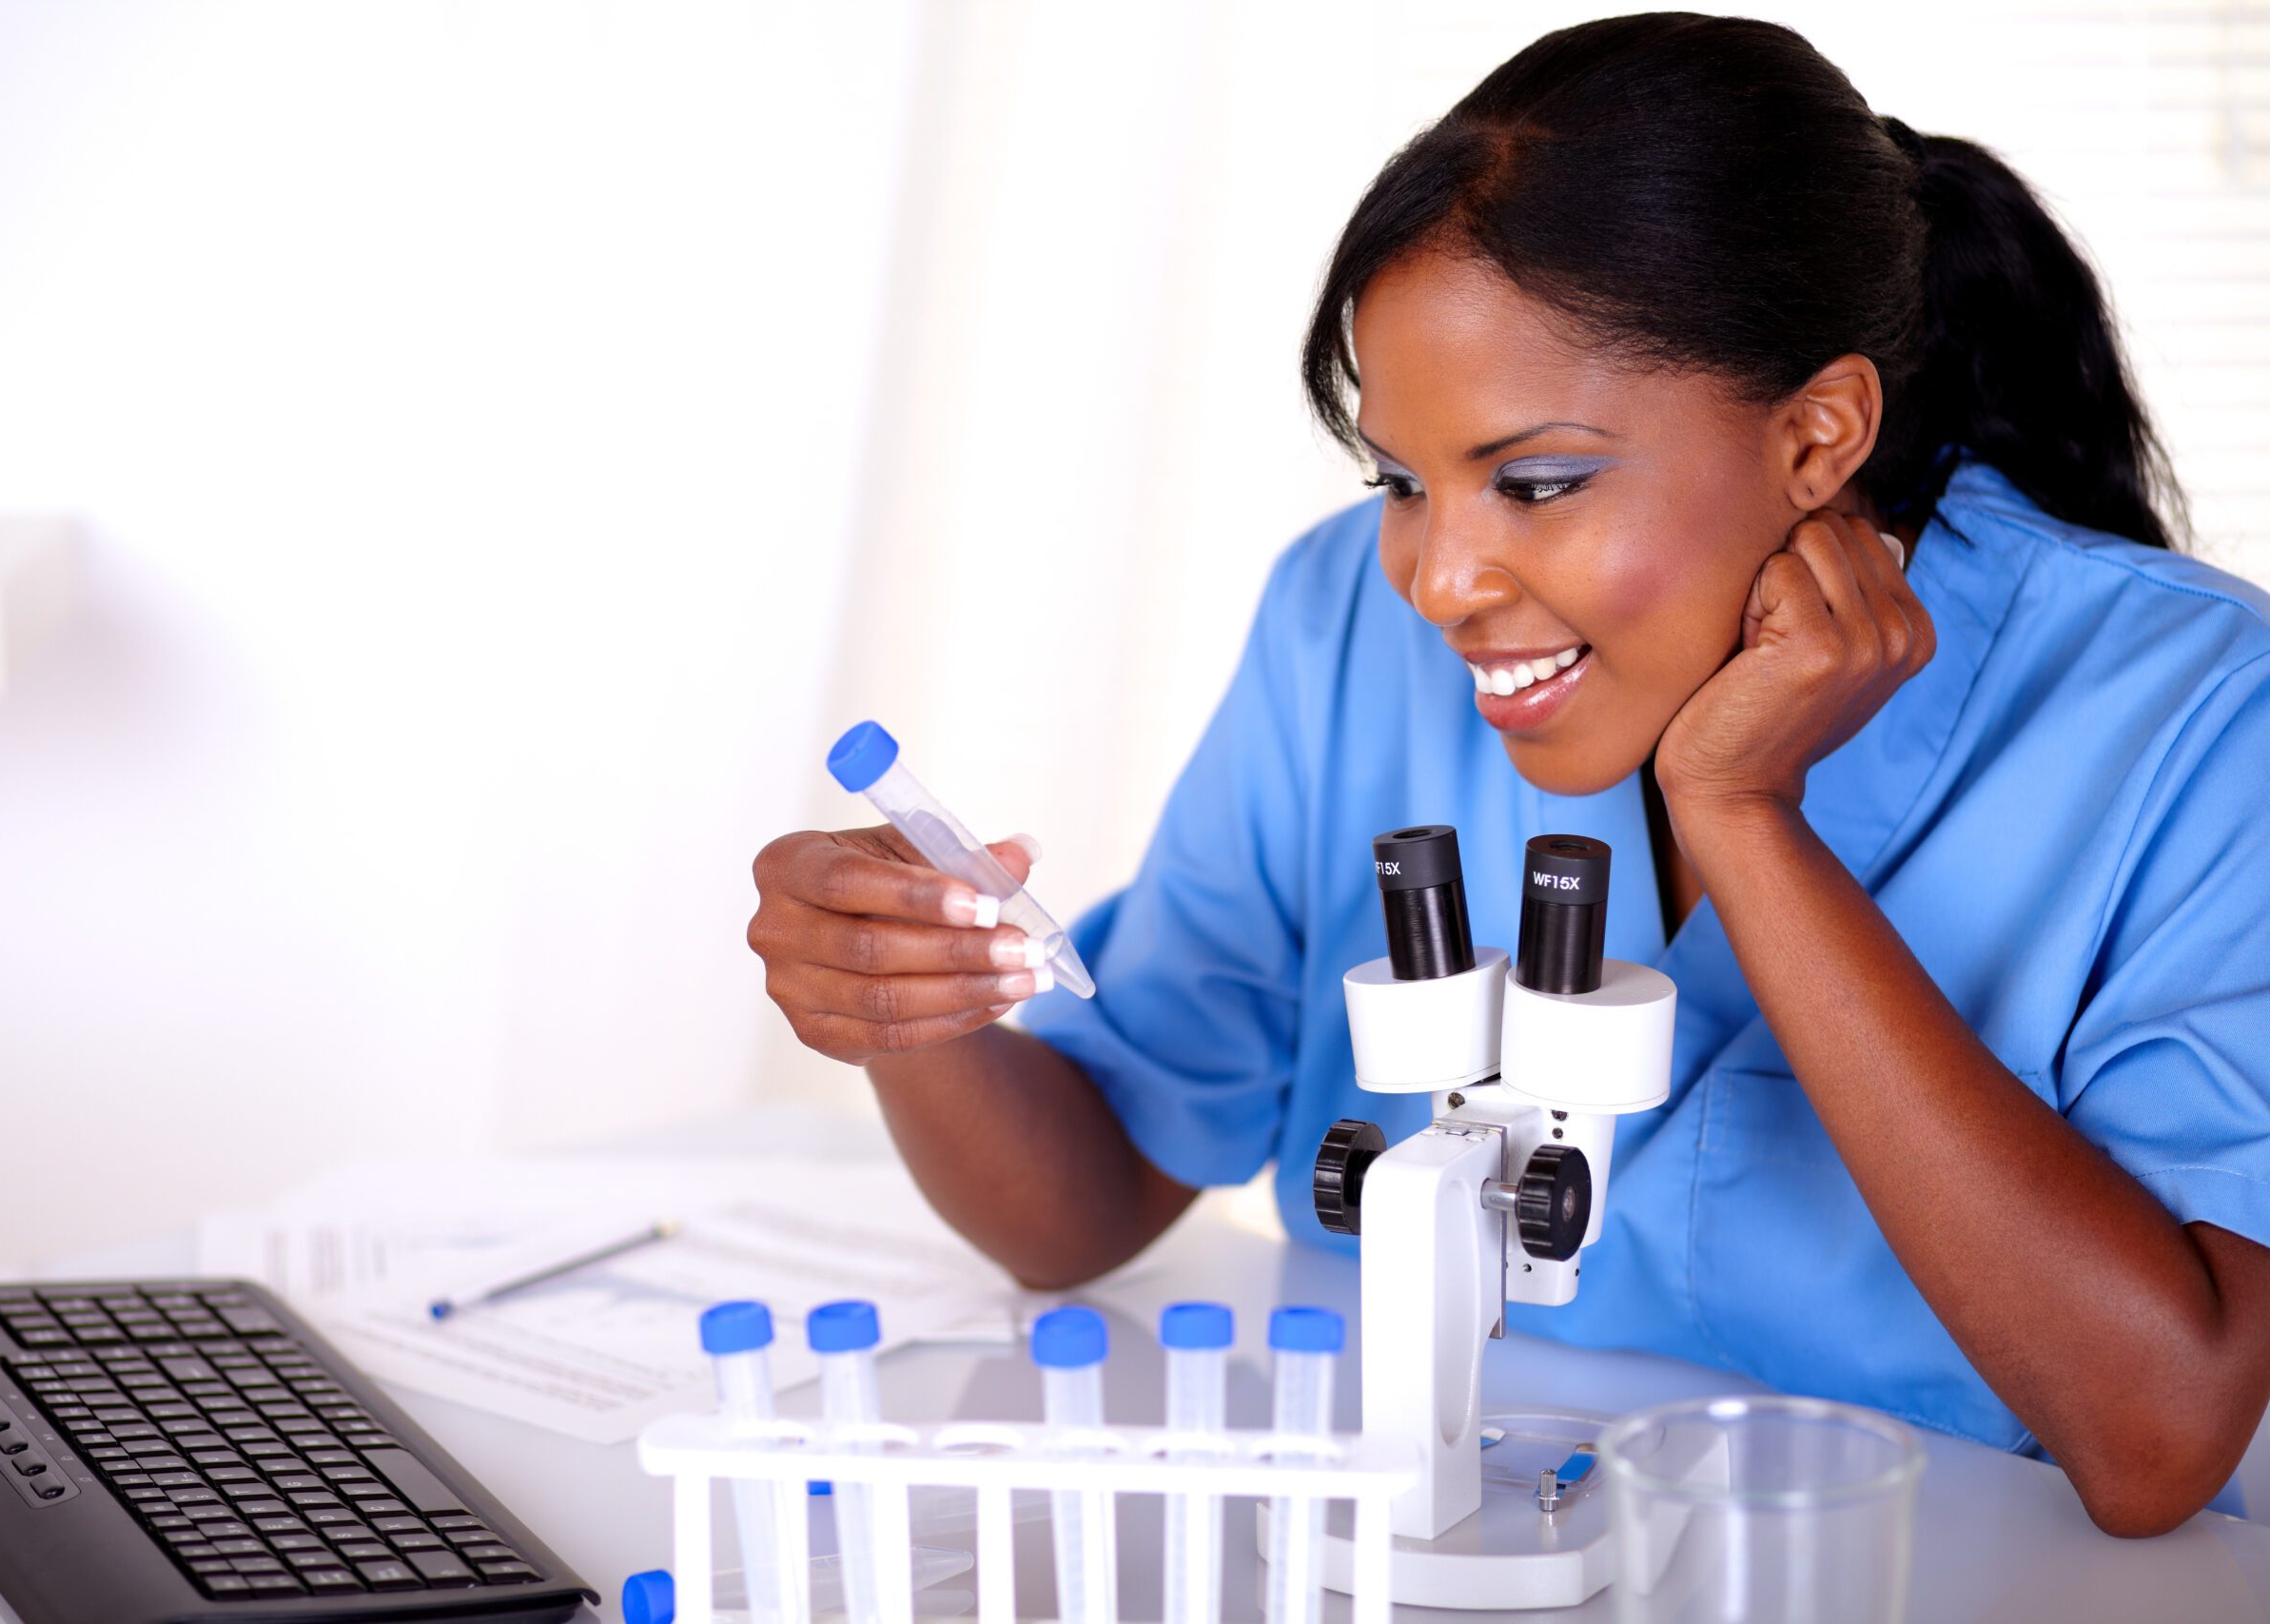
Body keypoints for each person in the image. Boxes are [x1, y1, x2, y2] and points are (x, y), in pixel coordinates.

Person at [747, 13, 2270, 1536]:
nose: (1439, 577)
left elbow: (2156, 1438)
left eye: (1536, 482)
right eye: (1401, 481)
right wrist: (909, 1005)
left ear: (1817, 437)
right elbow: (1077, 1209)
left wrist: (1743, 819)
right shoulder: (1340, 619)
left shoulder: (2195, 711)